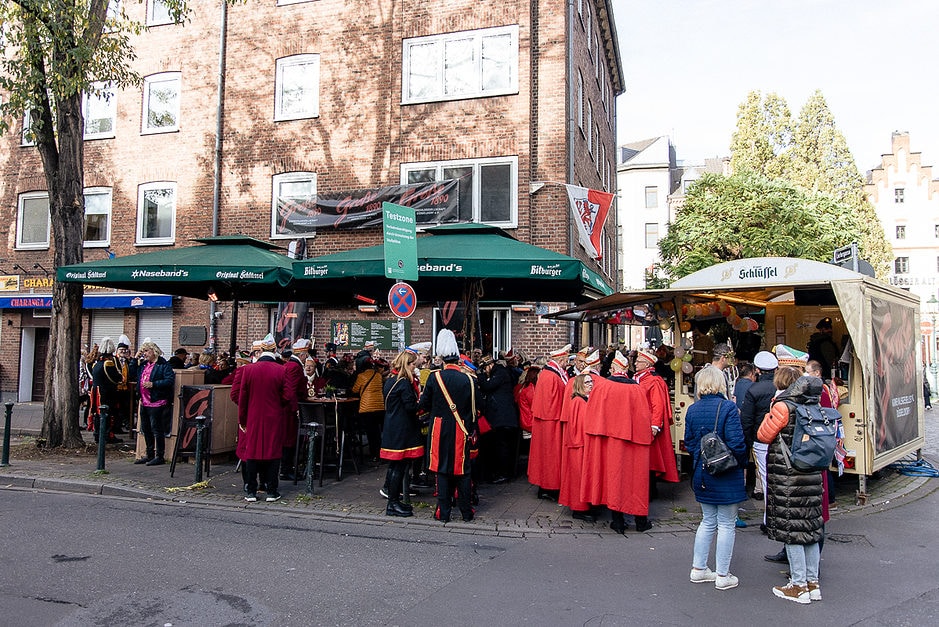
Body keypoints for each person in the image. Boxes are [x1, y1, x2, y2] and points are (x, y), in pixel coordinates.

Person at [758, 375, 827, 604]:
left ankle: (798, 586)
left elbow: (764, 435)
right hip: (813, 475)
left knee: (792, 530)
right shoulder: (816, 407)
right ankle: (812, 583)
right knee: (810, 529)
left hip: (788, 476)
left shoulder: (783, 407)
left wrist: (770, 412)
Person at [686, 366, 748, 591]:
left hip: (703, 471)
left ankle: (699, 569)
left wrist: (701, 460)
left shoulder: (692, 410)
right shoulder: (728, 408)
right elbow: (737, 443)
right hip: (726, 471)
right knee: (726, 524)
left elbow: (690, 443)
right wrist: (740, 463)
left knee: (707, 521)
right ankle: (723, 574)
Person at [582, 350, 654, 533]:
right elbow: (644, 417)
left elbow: (592, 416)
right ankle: (640, 521)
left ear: (613, 368)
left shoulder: (602, 387)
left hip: (611, 441)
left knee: (614, 479)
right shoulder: (636, 389)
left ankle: (618, 521)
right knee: (637, 481)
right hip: (634, 441)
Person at [419, 329, 479, 523]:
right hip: (461, 429)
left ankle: (443, 512)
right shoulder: (469, 379)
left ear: (443, 359)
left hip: (439, 429)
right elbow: (478, 407)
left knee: (442, 470)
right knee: (462, 471)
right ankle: (466, 512)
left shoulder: (434, 378)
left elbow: (424, 405)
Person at [231, 334, 291, 502]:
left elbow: (242, 397)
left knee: (251, 452)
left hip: (253, 416)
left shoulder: (248, 370)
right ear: (274, 350)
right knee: (273, 452)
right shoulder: (282, 370)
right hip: (274, 416)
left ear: (261, 350)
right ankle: (272, 490)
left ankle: (251, 490)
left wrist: (242, 420)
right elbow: (288, 395)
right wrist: (278, 406)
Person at [380, 350, 425, 517]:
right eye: (413, 365)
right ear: (406, 364)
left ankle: (394, 501)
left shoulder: (390, 380)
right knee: (399, 466)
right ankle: (392, 503)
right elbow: (411, 407)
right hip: (402, 429)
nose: (414, 368)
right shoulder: (403, 383)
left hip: (393, 427)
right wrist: (422, 402)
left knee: (395, 467)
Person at [634, 347, 680, 498]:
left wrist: (654, 425)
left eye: (639, 361)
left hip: (648, 425)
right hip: (640, 424)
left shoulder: (654, 381)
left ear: (647, 364)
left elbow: (657, 405)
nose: (635, 363)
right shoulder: (640, 378)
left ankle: (650, 491)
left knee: (650, 460)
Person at [528, 343, 571, 501]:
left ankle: (546, 487)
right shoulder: (552, 376)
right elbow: (555, 400)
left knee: (546, 456)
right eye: (566, 359)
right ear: (561, 360)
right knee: (550, 456)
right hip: (551, 421)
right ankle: (549, 488)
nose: (567, 362)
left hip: (548, 420)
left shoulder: (550, 373)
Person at [740, 351, 779, 501]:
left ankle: (767, 516)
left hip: (760, 438)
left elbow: (746, 419)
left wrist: (750, 440)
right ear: (775, 369)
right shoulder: (781, 389)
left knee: (764, 475)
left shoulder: (753, 390)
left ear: (757, 370)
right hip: (779, 437)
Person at [559, 369, 595, 521]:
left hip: (582, 445)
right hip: (580, 446)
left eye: (591, 381)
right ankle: (579, 509)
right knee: (579, 478)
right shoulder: (578, 402)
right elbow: (581, 425)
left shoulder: (583, 400)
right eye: (587, 382)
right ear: (580, 385)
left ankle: (584, 506)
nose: (591, 385)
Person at [478, 354, 520, 484]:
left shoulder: (500, 373)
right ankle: (502, 472)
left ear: (489, 366)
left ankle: (504, 473)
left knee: (502, 446)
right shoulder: (501, 372)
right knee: (501, 445)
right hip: (502, 417)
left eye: (485, 369)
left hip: (503, 418)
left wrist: (479, 376)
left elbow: (487, 386)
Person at [134, 340, 176, 466]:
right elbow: (132, 372)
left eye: (147, 351)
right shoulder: (144, 364)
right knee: (146, 429)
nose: (145, 354)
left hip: (157, 402)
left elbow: (169, 380)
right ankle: (149, 454)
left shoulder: (163, 365)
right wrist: (135, 358)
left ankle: (160, 456)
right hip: (144, 401)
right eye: (144, 351)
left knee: (157, 429)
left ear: (154, 351)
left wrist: (154, 384)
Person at [352, 354, 386, 461]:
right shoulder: (378, 376)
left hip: (367, 407)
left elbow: (355, 390)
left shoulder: (361, 376)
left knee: (371, 433)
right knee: (378, 432)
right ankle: (381, 453)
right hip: (380, 407)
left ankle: (374, 454)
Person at [90, 337, 123, 444]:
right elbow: (117, 378)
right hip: (107, 393)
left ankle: (97, 434)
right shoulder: (108, 364)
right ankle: (107, 435)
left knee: (97, 414)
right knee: (107, 414)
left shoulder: (96, 363)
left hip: (96, 392)